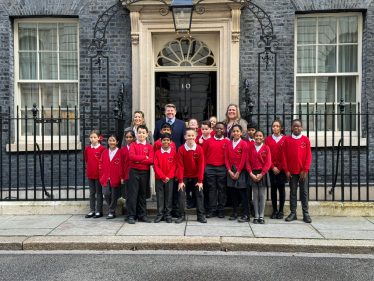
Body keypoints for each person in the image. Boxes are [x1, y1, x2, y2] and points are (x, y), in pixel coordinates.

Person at [154, 104, 187, 218]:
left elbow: (183, 141)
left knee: (173, 188)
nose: (170, 112)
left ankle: (173, 209)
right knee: (164, 191)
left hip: (175, 159)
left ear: (175, 112)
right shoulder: (159, 123)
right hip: (162, 160)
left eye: (172, 111)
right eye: (168, 111)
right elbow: (155, 140)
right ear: (165, 112)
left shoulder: (181, 124)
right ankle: (163, 212)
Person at [282, 119, 312, 223]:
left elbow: (309, 156)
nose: (296, 128)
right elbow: (284, 156)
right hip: (291, 172)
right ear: (291, 127)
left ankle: (305, 213)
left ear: (301, 127)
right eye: (294, 126)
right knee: (293, 192)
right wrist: (286, 170)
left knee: (304, 192)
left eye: (298, 126)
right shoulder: (287, 140)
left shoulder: (305, 140)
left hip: (302, 172)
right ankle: (293, 213)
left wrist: (305, 170)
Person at [176, 128, 207, 224]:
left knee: (199, 192)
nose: (190, 137)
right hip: (184, 174)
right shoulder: (181, 149)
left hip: (196, 174)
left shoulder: (199, 149)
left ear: (195, 137)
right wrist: (180, 181)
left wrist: (200, 181)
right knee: (181, 192)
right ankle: (181, 215)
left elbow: (201, 165)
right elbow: (180, 166)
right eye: (188, 135)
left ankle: (200, 215)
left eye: (192, 135)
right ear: (185, 137)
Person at [126, 125, 154, 224]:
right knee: (133, 194)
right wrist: (144, 158)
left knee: (143, 194)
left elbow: (151, 160)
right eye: (139, 132)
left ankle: (142, 215)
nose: (141, 134)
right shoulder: (133, 145)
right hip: (134, 171)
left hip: (145, 172)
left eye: (143, 133)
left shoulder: (149, 146)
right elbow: (132, 158)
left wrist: (140, 159)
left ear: (146, 134)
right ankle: (131, 216)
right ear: (136, 134)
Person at [203, 122, 229, 218]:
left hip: (222, 168)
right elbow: (204, 155)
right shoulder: (208, 141)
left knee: (222, 189)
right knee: (212, 189)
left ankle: (221, 209)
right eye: (217, 128)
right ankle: (212, 209)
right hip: (210, 168)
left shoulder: (227, 142)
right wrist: (205, 168)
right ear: (214, 129)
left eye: (221, 128)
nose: (219, 130)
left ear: (224, 130)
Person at [225, 124, 249, 222]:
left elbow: (244, 158)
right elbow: (226, 157)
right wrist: (229, 170)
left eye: (237, 131)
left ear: (241, 133)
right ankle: (235, 212)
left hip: (241, 170)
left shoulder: (244, 144)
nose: (235, 133)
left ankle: (246, 214)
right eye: (233, 131)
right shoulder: (229, 143)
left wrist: (238, 171)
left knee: (242, 192)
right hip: (231, 169)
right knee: (233, 192)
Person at [247, 130, 271, 224]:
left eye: (260, 136)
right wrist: (251, 173)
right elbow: (247, 162)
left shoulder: (266, 148)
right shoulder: (250, 148)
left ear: (263, 138)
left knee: (262, 194)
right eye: (256, 136)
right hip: (253, 173)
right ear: (254, 137)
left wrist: (262, 173)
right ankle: (256, 215)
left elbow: (268, 162)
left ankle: (262, 215)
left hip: (262, 173)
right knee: (255, 195)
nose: (258, 137)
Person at [265, 119, 287, 219]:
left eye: (277, 126)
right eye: (273, 126)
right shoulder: (268, 139)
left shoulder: (285, 139)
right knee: (273, 190)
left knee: (281, 189)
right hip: (272, 168)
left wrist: (280, 167)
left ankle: (281, 211)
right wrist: (273, 167)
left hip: (282, 168)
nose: (275, 128)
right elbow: (267, 155)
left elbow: (286, 155)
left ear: (281, 128)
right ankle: (274, 210)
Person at [153, 133, 177, 223]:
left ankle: (168, 214)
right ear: (161, 141)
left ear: (170, 142)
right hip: (159, 178)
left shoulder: (174, 153)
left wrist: (168, 176)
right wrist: (163, 176)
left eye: (167, 140)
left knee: (169, 196)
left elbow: (174, 166)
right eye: (164, 140)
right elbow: (156, 166)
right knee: (160, 196)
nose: (166, 142)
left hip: (169, 178)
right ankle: (160, 214)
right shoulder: (157, 153)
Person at [99, 134, 123, 219]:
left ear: (117, 142)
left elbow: (121, 165)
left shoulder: (120, 152)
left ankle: (112, 212)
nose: (111, 142)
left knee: (114, 195)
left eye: (113, 140)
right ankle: (112, 207)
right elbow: (101, 163)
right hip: (105, 177)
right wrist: (101, 171)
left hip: (115, 177)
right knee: (105, 193)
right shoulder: (105, 152)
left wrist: (121, 177)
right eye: (110, 140)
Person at [84, 130, 106, 219]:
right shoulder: (87, 149)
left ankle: (99, 211)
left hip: (98, 175)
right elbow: (87, 159)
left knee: (99, 192)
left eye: (94, 137)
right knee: (92, 193)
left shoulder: (102, 149)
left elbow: (103, 162)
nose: (93, 139)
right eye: (91, 137)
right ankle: (92, 210)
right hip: (90, 174)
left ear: (99, 138)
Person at [120, 130, 136, 213]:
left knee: (135, 194)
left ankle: (136, 211)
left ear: (134, 138)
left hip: (136, 174)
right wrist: (122, 177)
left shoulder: (136, 147)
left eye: (130, 137)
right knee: (128, 195)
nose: (129, 139)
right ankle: (129, 212)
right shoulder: (123, 150)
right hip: (127, 174)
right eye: (127, 137)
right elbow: (121, 164)